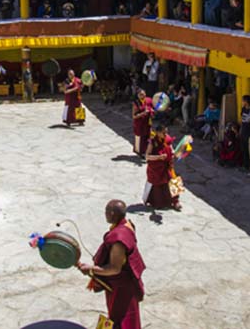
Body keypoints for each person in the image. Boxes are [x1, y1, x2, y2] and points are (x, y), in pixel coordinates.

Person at [77, 199, 145, 329]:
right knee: (128, 315)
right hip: (127, 282)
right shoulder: (127, 225)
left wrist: (91, 269)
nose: (105, 214)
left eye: (106, 212)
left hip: (122, 287)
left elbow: (114, 269)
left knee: (120, 317)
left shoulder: (118, 239)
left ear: (112, 213)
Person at [143, 124, 182, 210]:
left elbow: (171, 150)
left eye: (166, 132)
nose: (165, 134)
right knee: (158, 186)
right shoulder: (152, 142)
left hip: (167, 165)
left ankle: (176, 201)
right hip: (156, 168)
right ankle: (160, 203)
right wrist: (158, 157)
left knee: (173, 181)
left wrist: (174, 154)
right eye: (163, 132)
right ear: (157, 133)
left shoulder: (167, 138)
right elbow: (147, 156)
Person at [132, 89, 154, 158]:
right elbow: (134, 116)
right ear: (138, 95)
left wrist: (152, 112)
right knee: (140, 138)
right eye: (141, 94)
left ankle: (147, 152)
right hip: (139, 124)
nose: (143, 96)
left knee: (148, 137)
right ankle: (140, 153)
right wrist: (142, 114)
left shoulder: (149, 100)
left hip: (147, 123)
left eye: (144, 94)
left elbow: (152, 108)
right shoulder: (136, 103)